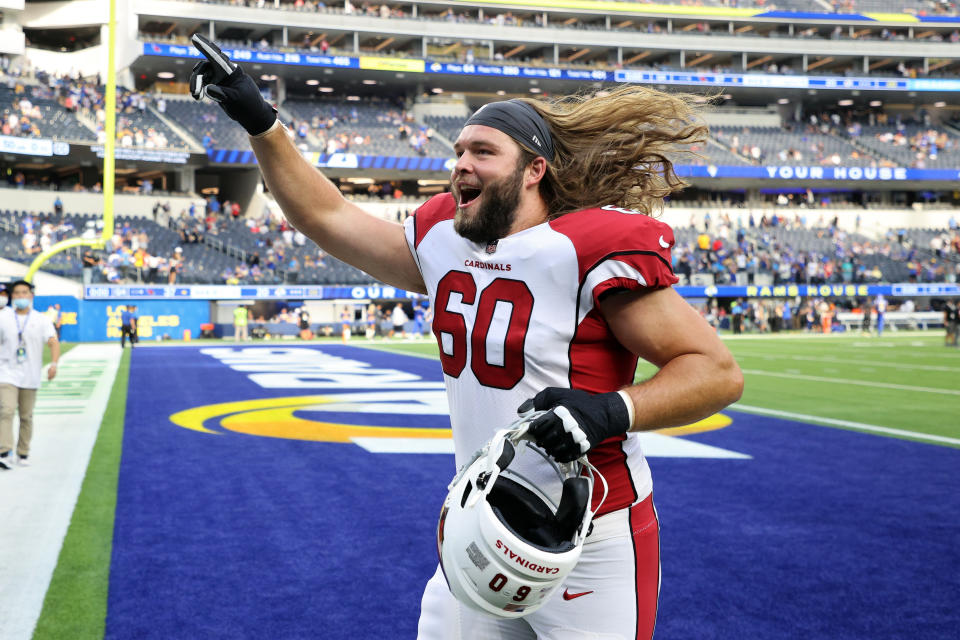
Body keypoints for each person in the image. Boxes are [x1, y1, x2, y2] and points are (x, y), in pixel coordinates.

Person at [191, 45, 743, 639]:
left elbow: (716, 371)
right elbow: (327, 216)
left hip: (592, 529)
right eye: (458, 151)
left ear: (535, 169)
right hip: (479, 516)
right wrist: (262, 124)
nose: (462, 164)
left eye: (484, 151)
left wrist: (614, 409)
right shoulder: (443, 238)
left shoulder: (584, 248)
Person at [0, 280, 59, 469]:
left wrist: (54, 364)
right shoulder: (3, 317)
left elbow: (53, 341)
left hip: (30, 374)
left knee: (26, 416)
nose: (20, 297)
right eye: (16, 293)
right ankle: (4, 451)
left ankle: (22, 452)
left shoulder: (41, 320)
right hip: (6, 372)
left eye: (24, 293)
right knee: (6, 410)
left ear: (31, 296)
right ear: (11, 297)